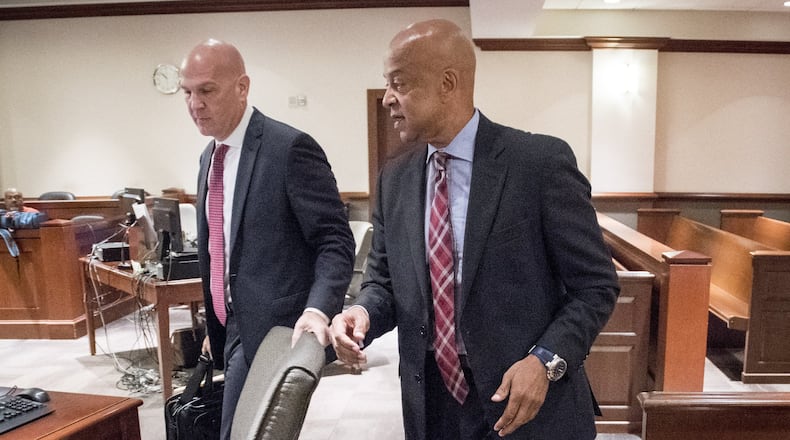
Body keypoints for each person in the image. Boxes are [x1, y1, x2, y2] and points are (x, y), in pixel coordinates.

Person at [330, 19, 620, 440]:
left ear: (447, 83)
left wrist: (546, 361)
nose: (388, 98)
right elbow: (385, 283)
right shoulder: (395, 178)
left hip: (527, 405)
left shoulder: (538, 164)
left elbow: (595, 286)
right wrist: (361, 313)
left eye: (399, 83)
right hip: (433, 405)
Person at [179, 39, 354, 440]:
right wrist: (217, 324)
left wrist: (318, 310)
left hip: (275, 331)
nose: (194, 104)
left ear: (242, 87)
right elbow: (223, 249)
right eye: (187, 92)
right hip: (231, 328)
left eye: (207, 90)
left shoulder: (289, 148)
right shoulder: (210, 157)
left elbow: (335, 240)